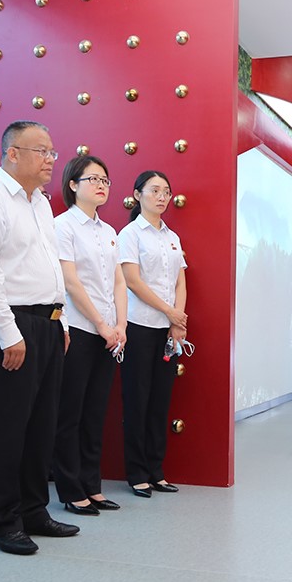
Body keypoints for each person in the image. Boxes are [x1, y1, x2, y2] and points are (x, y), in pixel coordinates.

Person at [0, 120, 79, 555]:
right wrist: (7, 333)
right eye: (41, 151)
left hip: (46, 324)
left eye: (52, 151)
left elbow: (49, 268)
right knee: (5, 429)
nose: (50, 159)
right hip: (8, 324)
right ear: (12, 153)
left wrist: (61, 322)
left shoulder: (41, 203)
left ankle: (33, 510)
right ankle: (3, 521)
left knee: (40, 427)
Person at [53, 155, 127, 517]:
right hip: (79, 330)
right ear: (73, 185)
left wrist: (121, 326)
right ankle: (71, 489)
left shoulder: (109, 231)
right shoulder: (62, 226)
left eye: (105, 180)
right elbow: (70, 282)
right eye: (93, 179)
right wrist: (101, 324)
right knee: (71, 412)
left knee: (96, 413)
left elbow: (118, 281)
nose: (101, 185)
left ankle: (92, 486)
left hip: (109, 333)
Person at [118, 170, 187, 498]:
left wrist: (177, 321)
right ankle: (137, 473)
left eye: (167, 191)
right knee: (137, 400)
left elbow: (180, 281)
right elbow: (132, 281)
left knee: (161, 401)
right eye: (155, 190)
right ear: (138, 194)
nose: (162, 197)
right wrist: (169, 311)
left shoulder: (172, 236)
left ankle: (156, 471)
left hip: (167, 329)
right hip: (139, 325)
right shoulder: (130, 234)